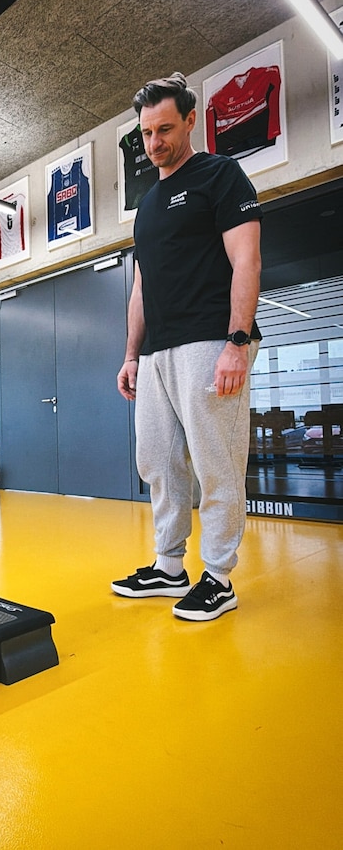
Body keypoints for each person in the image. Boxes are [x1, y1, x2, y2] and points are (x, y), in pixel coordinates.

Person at [113, 71, 262, 622]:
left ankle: (219, 576)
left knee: (216, 461)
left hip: (209, 341)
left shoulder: (220, 176)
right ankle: (168, 564)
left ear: (191, 120)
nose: (155, 143)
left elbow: (247, 260)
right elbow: (141, 286)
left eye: (166, 129)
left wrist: (237, 342)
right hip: (156, 354)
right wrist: (132, 355)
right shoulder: (148, 203)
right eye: (147, 132)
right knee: (157, 460)